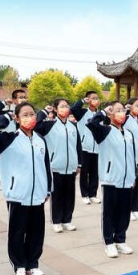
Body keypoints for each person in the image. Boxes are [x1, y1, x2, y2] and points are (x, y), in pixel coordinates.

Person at [0, 102, 51, 275]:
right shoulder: (8, 139)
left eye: (32, 114)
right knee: (17, 231)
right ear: (17, 118)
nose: (30, 118)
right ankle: (19, 265)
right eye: (25, 115)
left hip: (38, 194)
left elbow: (45, 165)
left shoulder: (40, 139)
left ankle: (33, 263)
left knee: (36, 232)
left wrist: (47, 189)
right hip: (17, 194)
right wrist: (6, 117)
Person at [86, 101, 136, 258]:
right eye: (117, 110)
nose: (121, 113)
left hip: (127, 179)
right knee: (109, 212)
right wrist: (103, 112)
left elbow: (131, 156)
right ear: (110, 113)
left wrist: (133, 175)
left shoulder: (128, 133)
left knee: (124, 212)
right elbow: (91, 124)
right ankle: (109, 243)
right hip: (111, 179)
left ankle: (120, 240)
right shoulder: (104, 131)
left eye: (123, 110)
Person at [35, 99, 81, 233]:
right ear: (55, 109)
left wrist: (79, 163)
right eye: (62, 106)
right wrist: (44, 111)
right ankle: (56, 221)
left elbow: (78, 146)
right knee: (57, 196)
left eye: (67, 106)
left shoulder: (73, 126)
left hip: (71, 167)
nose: (65, 108)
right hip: (56, 167)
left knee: (69, 196)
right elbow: (36, 125)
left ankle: (67, 220)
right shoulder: (49, 125)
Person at [0, 88, 29, 191]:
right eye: (20, 97)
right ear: (14, 100)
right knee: (3, 164)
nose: (23, 99)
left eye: (25, 97)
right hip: (7, 143)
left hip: (22, 144)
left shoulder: (29, 113)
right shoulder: (8, 113)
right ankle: (0, 181)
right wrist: (4, 102)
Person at [70, 91, 101, 205]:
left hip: (97, 148)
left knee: (94, 173)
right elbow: (73, 109)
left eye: (97, 98)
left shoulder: (100, 115)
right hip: (84, 147)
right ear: (88, 99)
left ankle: (93, 194)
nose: (95, 100)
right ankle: (85, 195)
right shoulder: (82, 113)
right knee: (84, 172)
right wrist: (82, 101)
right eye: (93, 98)